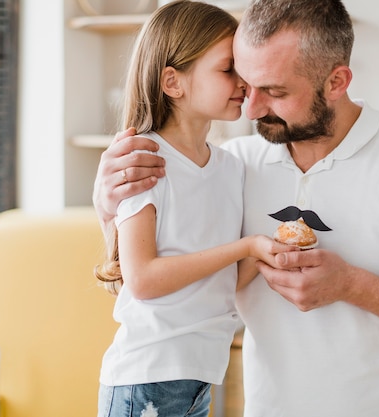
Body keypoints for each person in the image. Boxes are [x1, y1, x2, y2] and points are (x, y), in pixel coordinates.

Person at [93, 0, 379, 416]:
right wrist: (108, 207)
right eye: (243, 79)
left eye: (274, 91)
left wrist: (352, 285)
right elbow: (157, 277)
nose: (251, 107)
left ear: (337, 81)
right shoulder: (233, 165)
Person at [93, 2, 294, 417]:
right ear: (173, 82)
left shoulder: (230, 168)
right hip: (145, 377)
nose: (244, 83)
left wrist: (269, 251)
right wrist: (246, 246)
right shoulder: (142, 160)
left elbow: (223, 282)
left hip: (202, 374)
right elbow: (144, 279)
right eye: (227, 69)